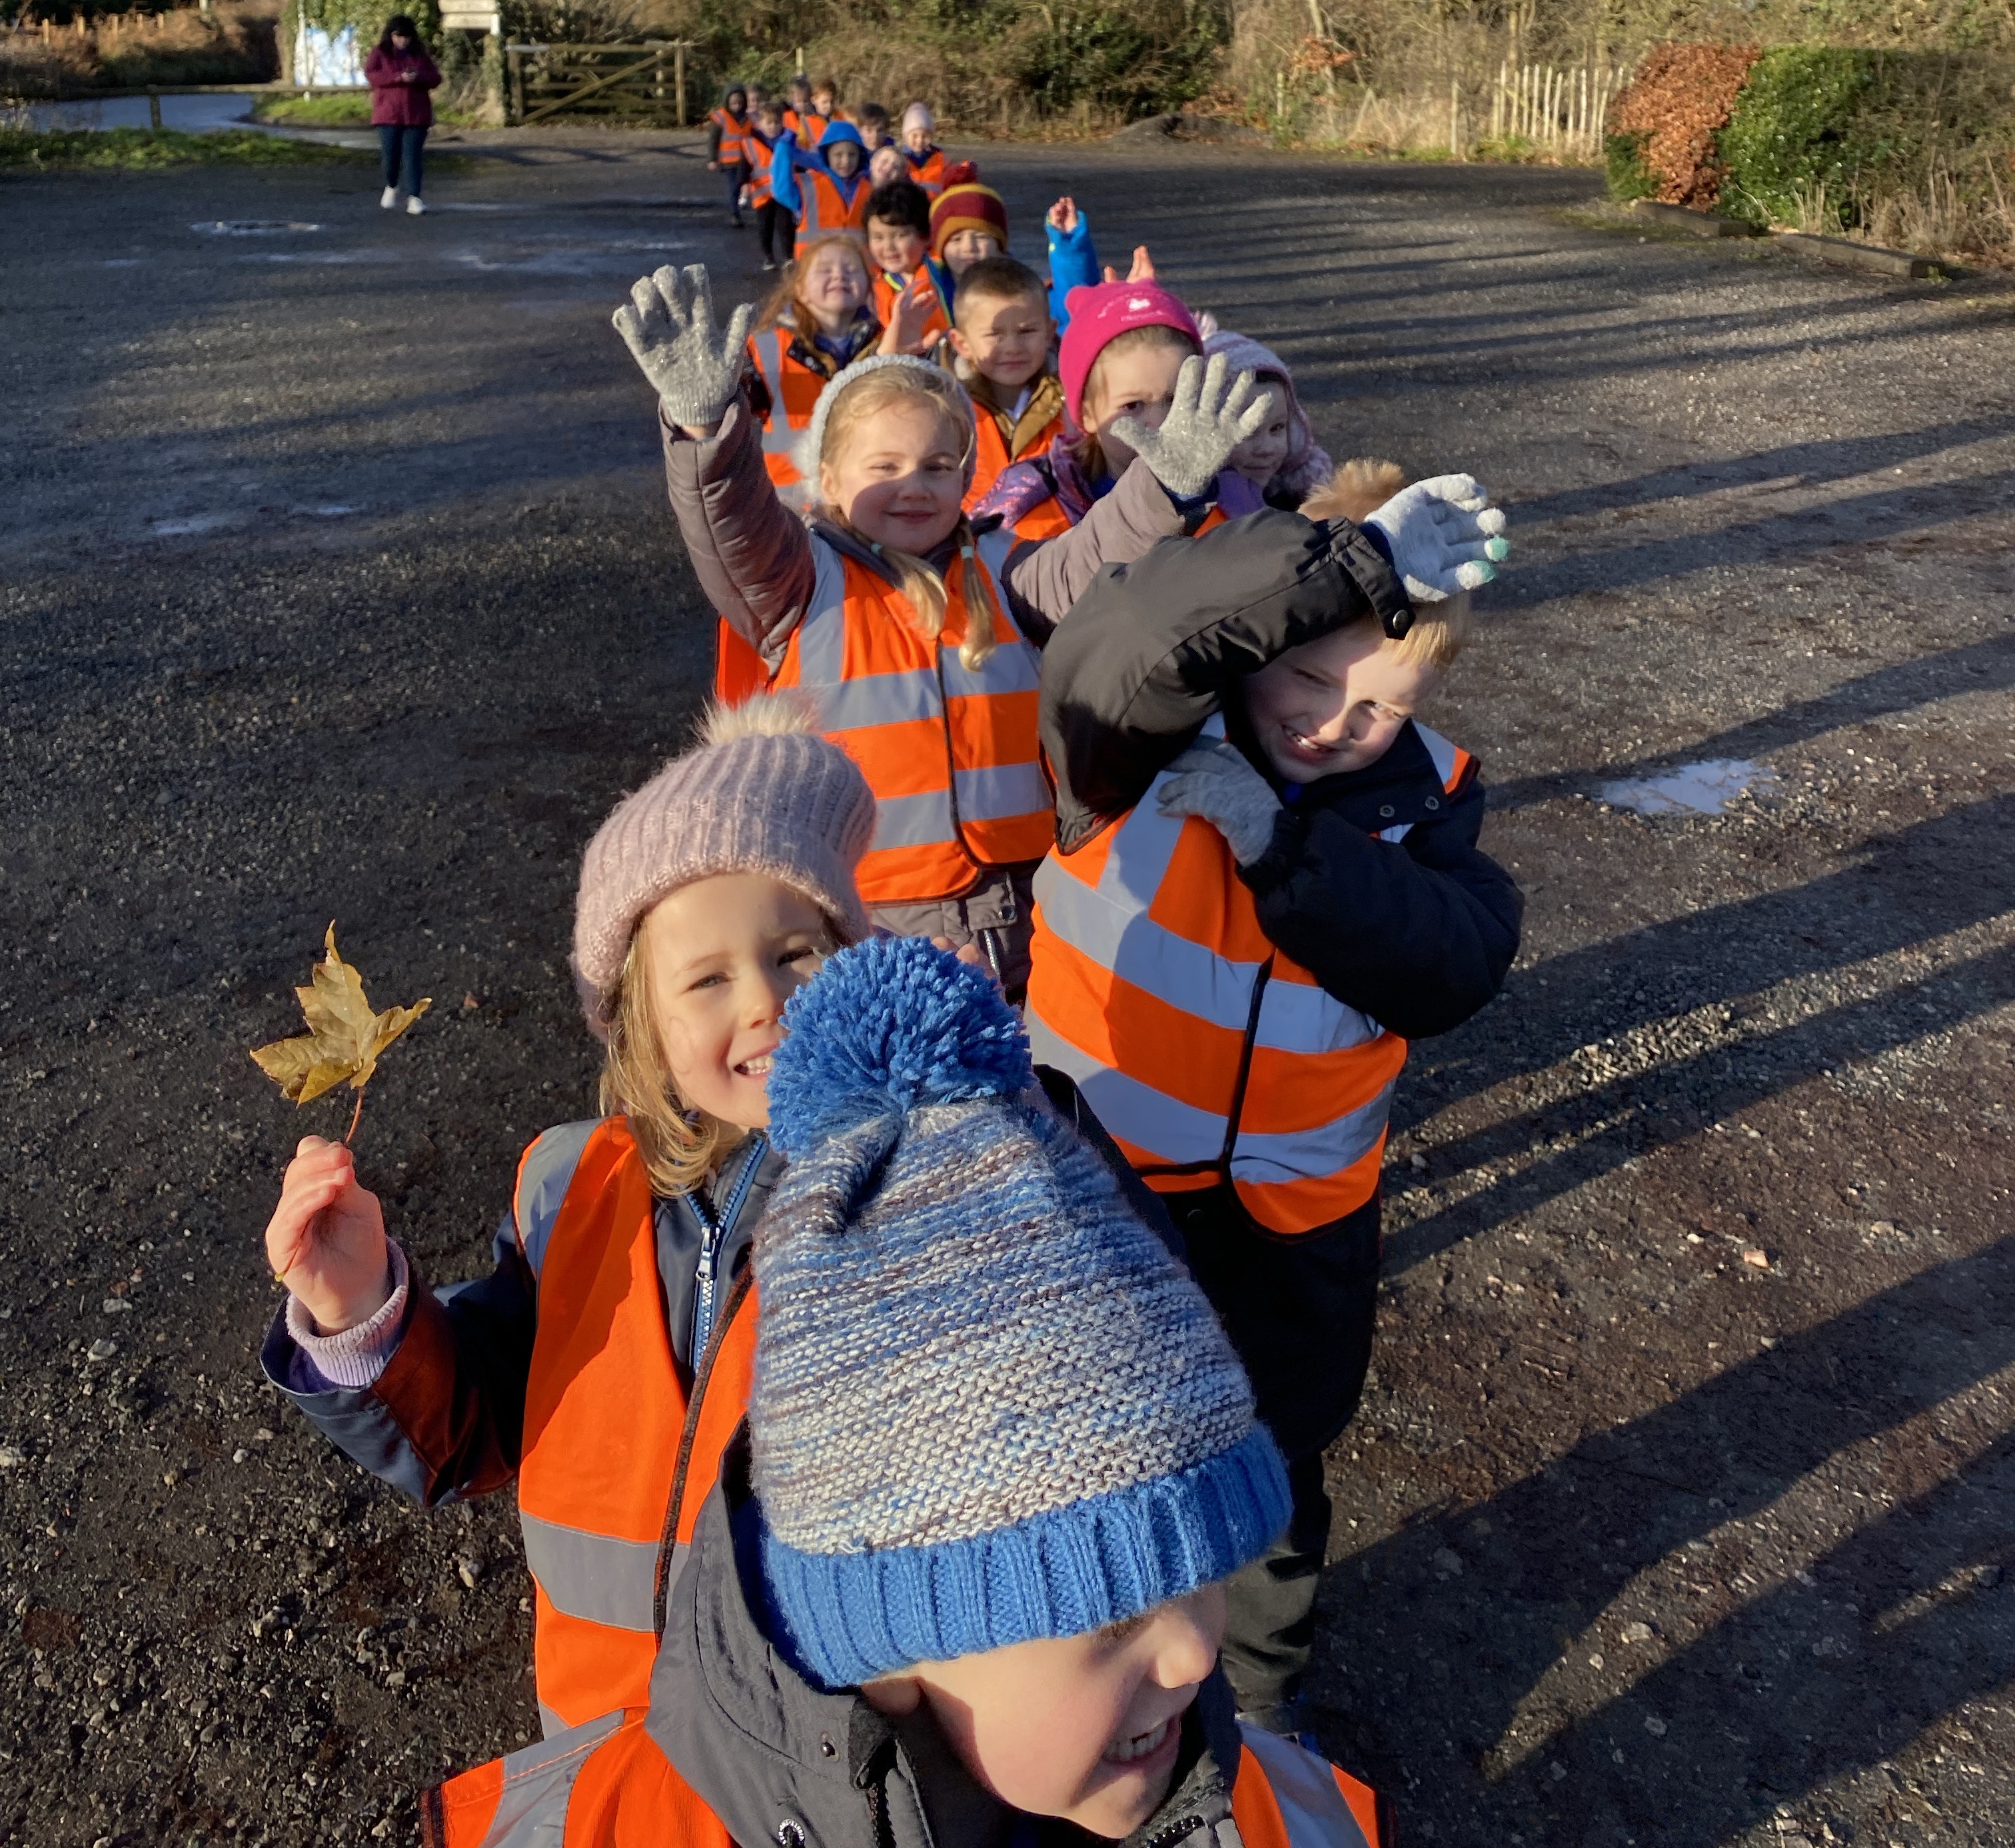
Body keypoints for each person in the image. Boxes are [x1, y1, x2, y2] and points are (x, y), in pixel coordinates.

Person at [422, 936, 1391, 1848]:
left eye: (1202, 1571)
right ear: (881, 1658)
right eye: (1111, 1621)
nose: (1197, 1657)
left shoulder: (1263, 1814)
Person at [259, 698, 877, 1735]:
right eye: (707, 978)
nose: (762, 1002)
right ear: (639, 1024)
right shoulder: (568, 1189)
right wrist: (360, 1306)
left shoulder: (910, 1184)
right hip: (606, 1752)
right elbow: (473, 1432)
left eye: (796, 954)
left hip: (818, 1769)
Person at [1023, 467, 1517, 1729]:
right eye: (1305, 676)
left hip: (1299, 1218)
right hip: (1106, 1191)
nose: (1333, 722)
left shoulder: (1430, 797)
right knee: (1092, 1443)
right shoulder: (1129, 750)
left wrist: (1284, 847)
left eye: (1380, 702)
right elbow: (1118, 636)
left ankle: (1254, 1692)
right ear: (1253, 644)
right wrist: (1350, 564)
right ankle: (1075, 1672)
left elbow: (1453, 963)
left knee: (1272, 1462)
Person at [613, 270, 1271, 993]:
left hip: (1028, 904)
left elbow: (1096, 554)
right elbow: (732, 520)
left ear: (965, 478)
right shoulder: (795, 582)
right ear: (829, 477)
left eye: (936, 467)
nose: (913, 485)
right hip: (867, 917)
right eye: (885, 467)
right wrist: (707, 430)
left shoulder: (1009, 570)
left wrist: (1166, 485)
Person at [981, 275, 1206, 535]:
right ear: (1087, 413)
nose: (1160, 424)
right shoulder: (1028, 505)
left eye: (1176, 400)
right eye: (1132, 406)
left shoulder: (1232, 491)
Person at [740, 231, 883, 492]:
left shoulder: (887, 342)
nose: (839, 276)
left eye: (851, 270)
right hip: (792, 497)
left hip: (868, 493)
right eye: (825, 270)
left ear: (867, 288)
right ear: (800, 290)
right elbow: (736, 408)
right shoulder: (766, 346)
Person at [947, 253, 1066, 518]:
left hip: (1066, 538)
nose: (1012, 347)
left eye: (1026, 332)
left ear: (1049, 333)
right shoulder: (946, 407)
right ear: (962, 344)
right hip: (973, 539)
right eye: (994, 334)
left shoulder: (1075, 397)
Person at [1193, 316, 1335, 514]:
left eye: (1277, 428)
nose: (1266, 449)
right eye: (1247, 431)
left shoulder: (1312, 491)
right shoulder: (1194, 513)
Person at [364, 13, 440, 217]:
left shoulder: (420, 55)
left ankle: (414, 198)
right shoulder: (380, 53)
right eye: (398, 36)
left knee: (412, 157)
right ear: (390, 35)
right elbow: (372, 76)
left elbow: (435, 78)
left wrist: (419, 78)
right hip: (388, 115)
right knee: (391, 155)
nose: (403, 41)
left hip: (416, 115)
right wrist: (398, 77)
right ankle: (391, 184)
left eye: (406, 37)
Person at [863, 177, 954, 337]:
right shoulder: (868, 286)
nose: (888, 247)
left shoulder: (945, 276)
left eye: (900, 236)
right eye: (878, 237)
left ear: (926, 236)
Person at [773, 116, 872, 235]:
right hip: (816, 248)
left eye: (852, 155)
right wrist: (783, 148)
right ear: (827, 156)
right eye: (838, 155)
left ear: (860, 156)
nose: (846, 161)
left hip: (855, 248)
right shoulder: (810, 186)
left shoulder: (868, 187)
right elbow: (782, 191)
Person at [742, 97, 793, 269]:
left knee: (786, 224)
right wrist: (743, 183)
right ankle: (768, 257)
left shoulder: (789, 140)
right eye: (769, 123)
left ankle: (788, 256)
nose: (773, 126)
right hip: (762, 192)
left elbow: (799, 162)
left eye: (777, 123)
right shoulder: (751, 142)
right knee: (765, 226)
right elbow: (744, 165)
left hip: (783, 191)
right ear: (760, 124)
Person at [928, 178, 1009, 276]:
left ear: (999, 247)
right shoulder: (926, 283)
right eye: (956, 239)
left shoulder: (1018, 284)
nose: (969, 247)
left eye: (981, 237)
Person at [706, 84, 751, 228]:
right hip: (728, 162)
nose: (737, 106)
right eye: (734, 103)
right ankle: (734, 214)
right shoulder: (721, 117)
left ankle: (737, 211)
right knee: (734, 188)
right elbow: (713, 140)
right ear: (727, 102)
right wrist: (712, 159)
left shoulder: (748, 118)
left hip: (744, 161)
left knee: (742, 187)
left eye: (740, 103)